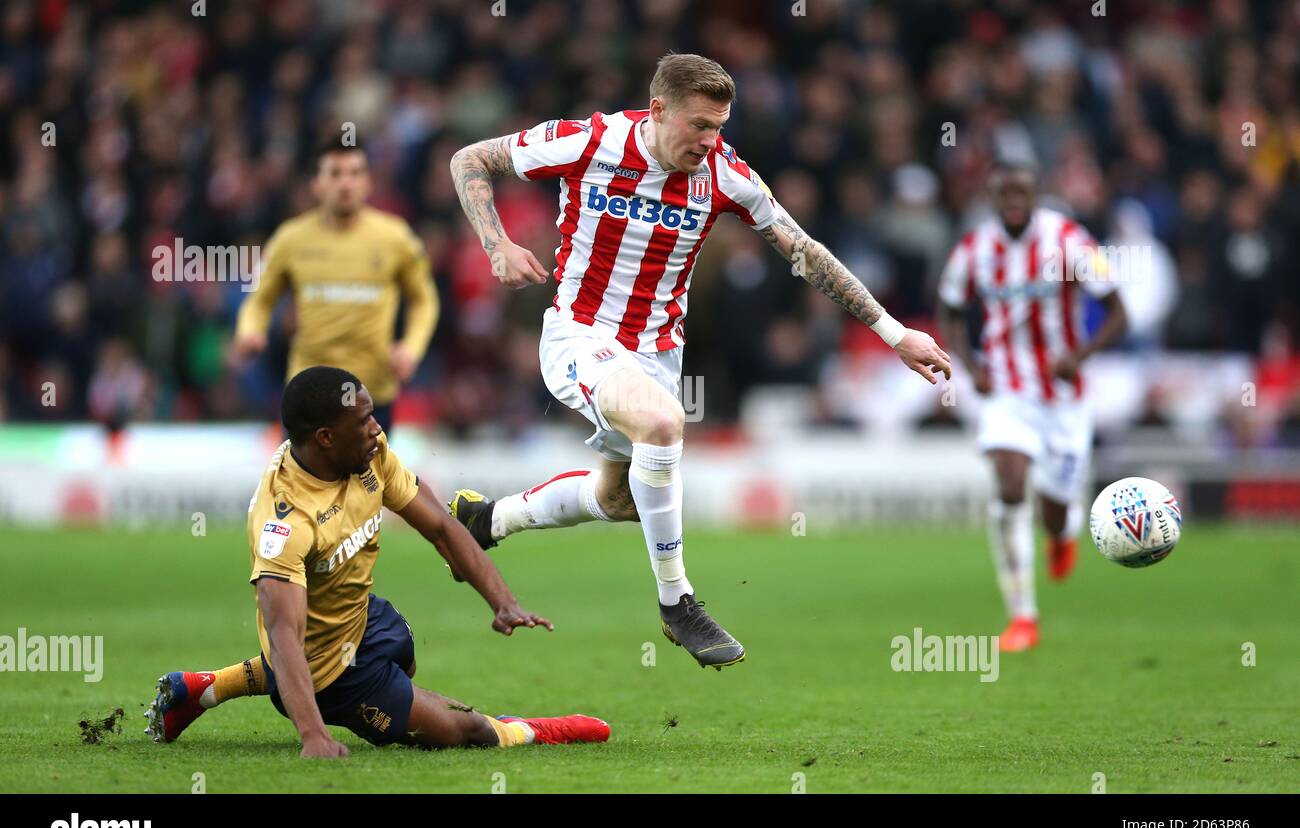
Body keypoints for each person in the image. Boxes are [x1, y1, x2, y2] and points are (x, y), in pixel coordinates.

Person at [446, 53, 951, 669]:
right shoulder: (590, 141)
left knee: (618, 499)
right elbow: (468, 158)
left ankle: (486, 520)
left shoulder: (725, 174)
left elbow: (806, 252)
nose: (710, 141)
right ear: (657, 111)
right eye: (699, 126)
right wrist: (496, 244)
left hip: (657, 354)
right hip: (580, 336)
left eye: (719, 127)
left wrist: (894, 333)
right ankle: (678, 602)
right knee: (662, 425)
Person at [146, 366, 609, 755]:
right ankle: (540, 728)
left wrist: (501, 601)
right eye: (364, 420)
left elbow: (444, 528)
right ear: (325, 438)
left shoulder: (368, 455)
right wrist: (314, 735)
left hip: (366, 619)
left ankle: (204, 688)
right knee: (463, 732)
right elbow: (284, 633)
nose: (377, 429)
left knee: (404, 658)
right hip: (327, 674)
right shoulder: (285, 522)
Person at [936, 160, 1127, 651]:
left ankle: (1062, 534)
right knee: (1009, 480)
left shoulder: (1069, 239)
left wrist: (1079, 356)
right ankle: (1023, 616)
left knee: (1055, 512)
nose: (1015, 201)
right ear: (994, 197)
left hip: (1063, 396)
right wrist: (972, 365)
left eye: (1023, 192)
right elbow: (950, 310)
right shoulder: (974, 249)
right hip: (1006, 390)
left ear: (1037, 193)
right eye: (1006, 194)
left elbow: (1117, 312)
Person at [231, 139, 439, 433]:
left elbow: (424, 300)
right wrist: (249, 330)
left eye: (355, 173)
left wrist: (411, 348)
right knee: (304, 481)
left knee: (367, 481)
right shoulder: (291, 239)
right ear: (316, 184)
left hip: (372, 394)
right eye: (335, 174)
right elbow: (260, 299)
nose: (346, 184)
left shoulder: (395, 238)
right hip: (307, 394)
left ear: (368, 182)